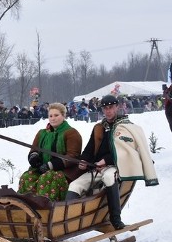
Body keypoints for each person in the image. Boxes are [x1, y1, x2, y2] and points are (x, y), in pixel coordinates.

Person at [65, 94, 159, 229]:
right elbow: (90, 149)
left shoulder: (125, 127)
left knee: (109, 177)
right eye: (105, 108)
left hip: (116, 166)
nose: (108, 111)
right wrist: (84, 160)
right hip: (96, 168)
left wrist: (106, 160)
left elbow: (127, 151)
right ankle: (70, 221)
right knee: (75, 185)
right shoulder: (98, 128)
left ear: (117, 107)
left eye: (111, 108)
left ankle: (115, 219)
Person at [18, 103, 83, 201]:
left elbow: (73, 156)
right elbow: (34, 149)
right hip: (42, 168)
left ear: (63, 116)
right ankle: (26, 205)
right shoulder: (42, 133)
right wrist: (34, 158)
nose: (53, 118)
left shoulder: (71, 133)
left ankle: (46, 207)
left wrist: (51, 165)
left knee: (48, 178)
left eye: (56, 115)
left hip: (65, 172)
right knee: (27, 177)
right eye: (50, 116)